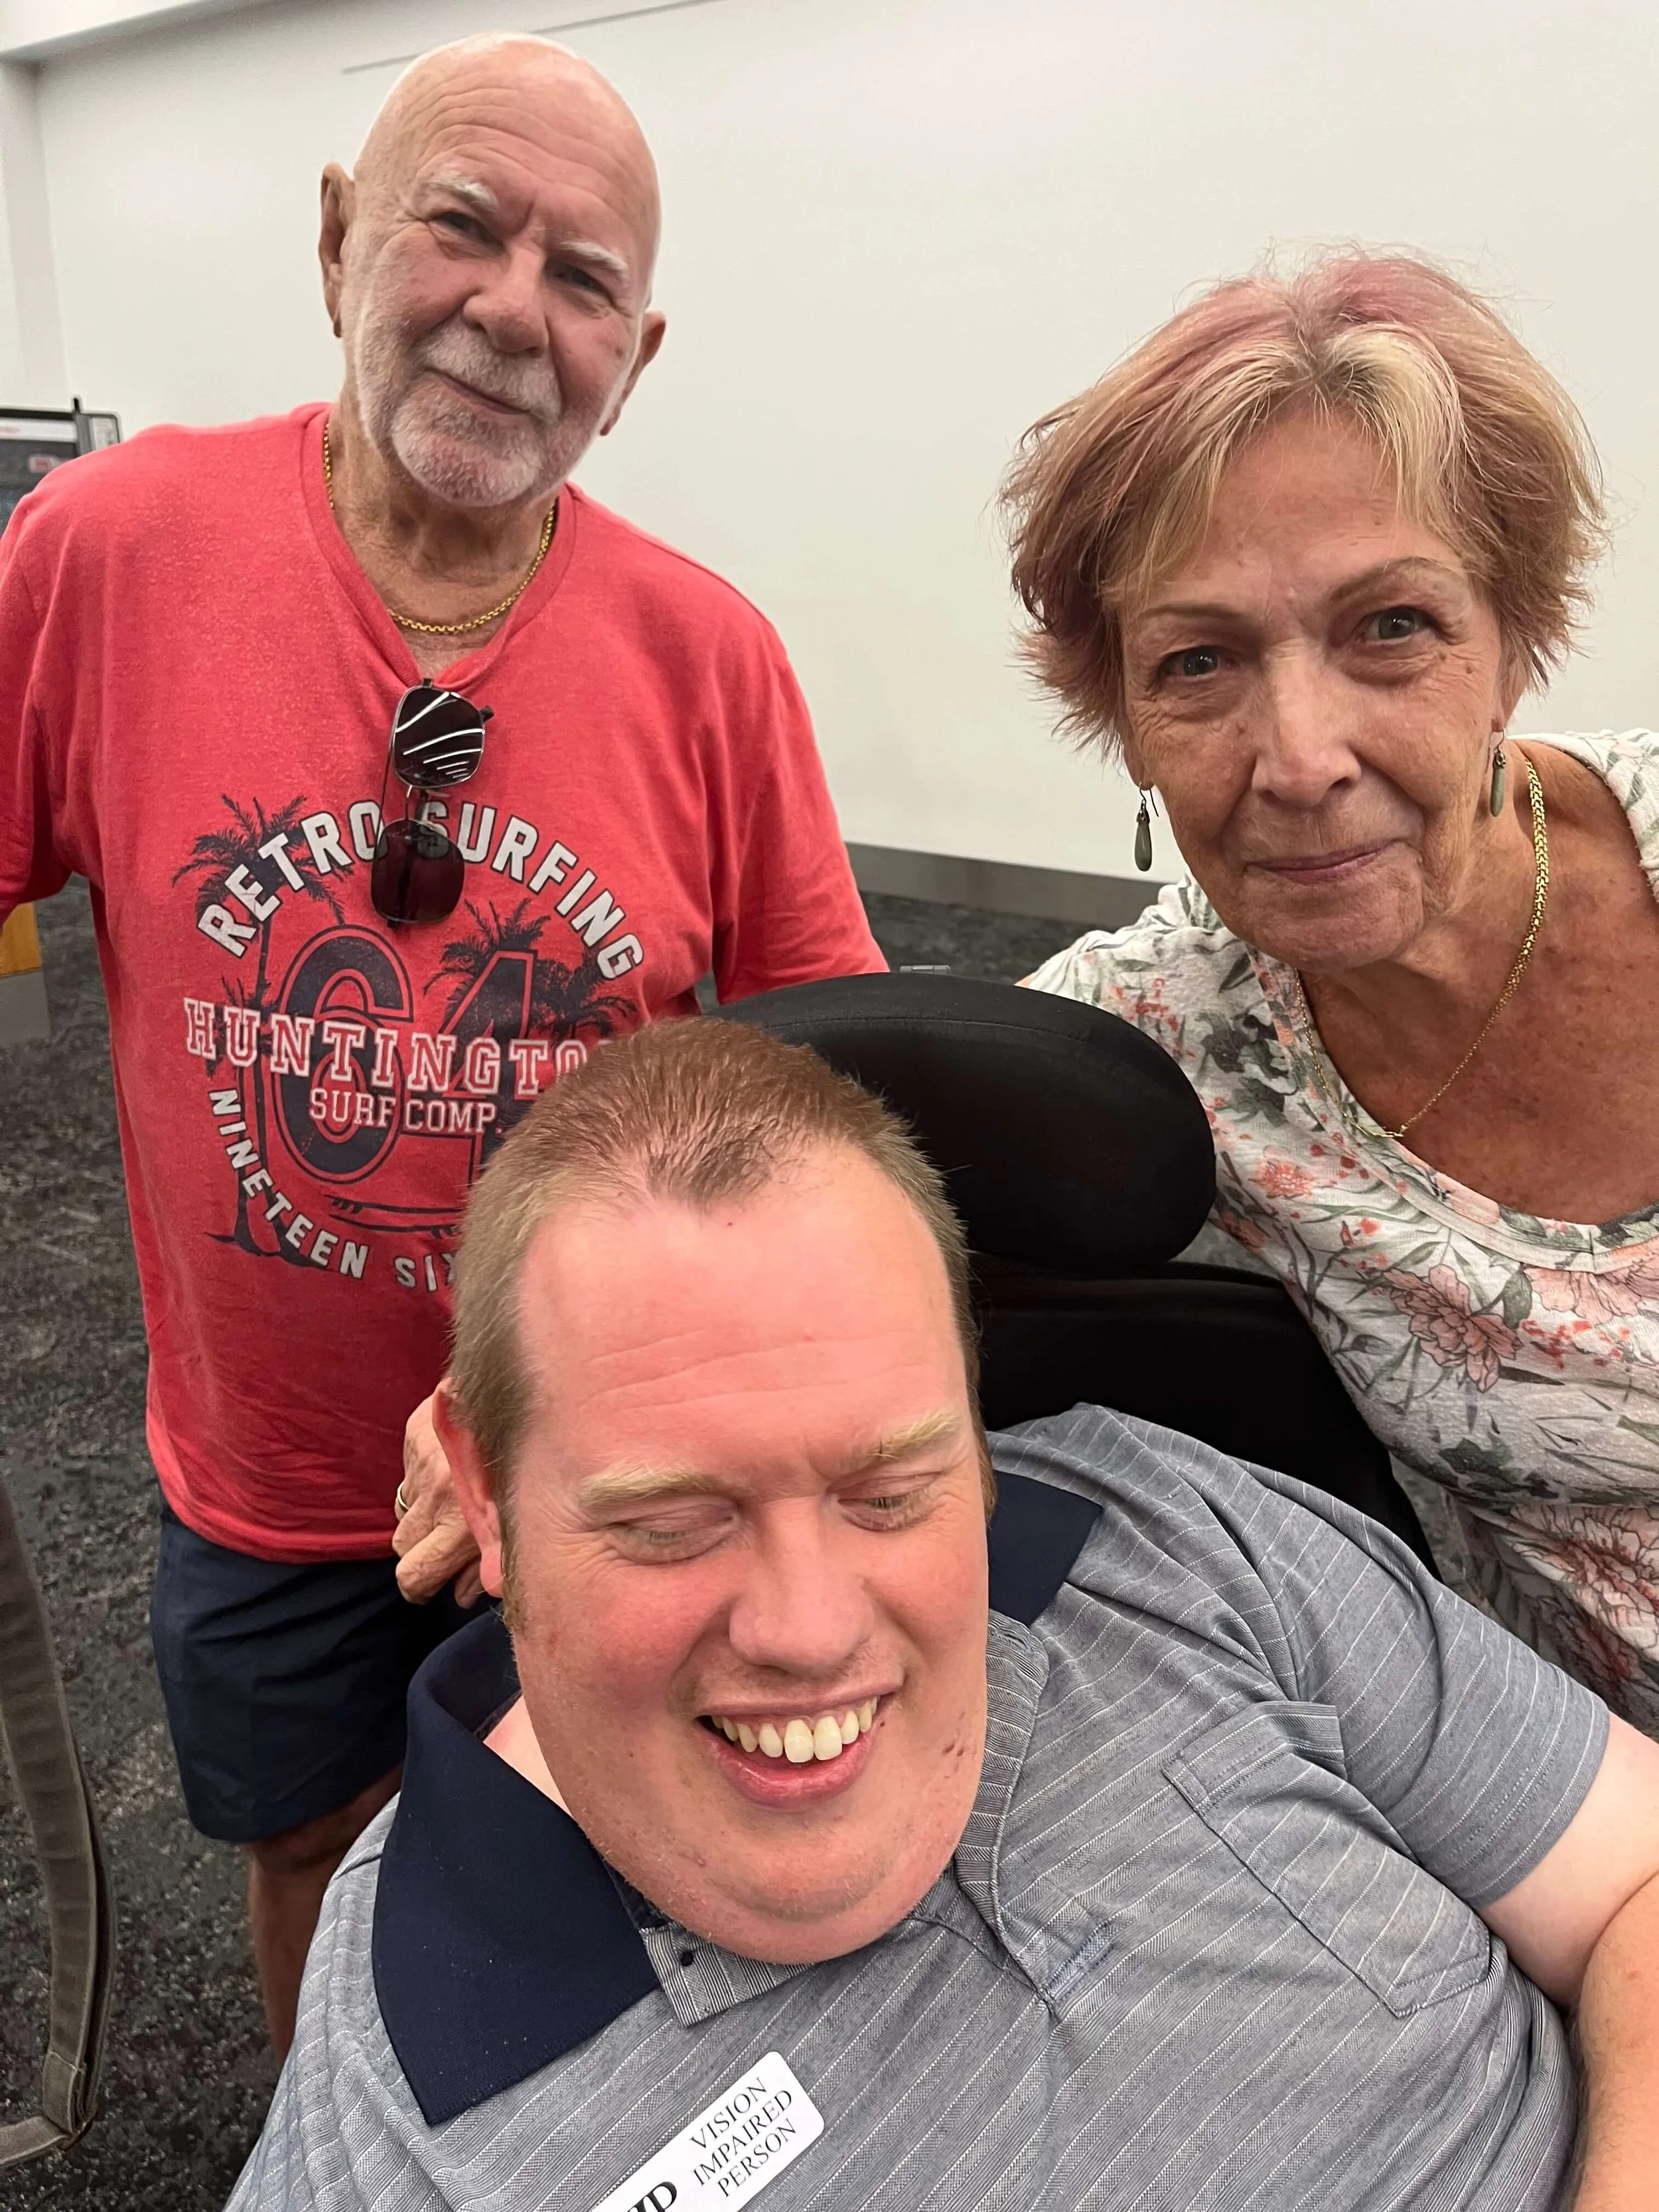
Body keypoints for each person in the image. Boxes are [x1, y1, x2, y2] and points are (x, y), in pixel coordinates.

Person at [0, 34, 881, 2053]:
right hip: (270, 1475)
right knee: (316, 1854)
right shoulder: (109, 551)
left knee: (624, 1874)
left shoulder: (708, 657)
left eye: (583, 280)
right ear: (337, 243)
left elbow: (820, 1078)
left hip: (610, 1455)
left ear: (633, 358)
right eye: (461, 227)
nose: (509, 309)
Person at [227, 1015, 1659, 2211]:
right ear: (484, 1493)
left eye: (888, 1493)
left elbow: (1635, 1886)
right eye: (670, 1523)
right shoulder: (399, 2125)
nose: (808, 1629)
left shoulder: (1166, 1537)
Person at [1010, 251, 1659, 1735]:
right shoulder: (1164, 1033)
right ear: (1125, 723)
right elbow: (789, 1164)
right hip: (1584, 1808)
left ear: (1511, 644)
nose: (1300, 760)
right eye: (1199, 661)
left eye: (1390, 628)